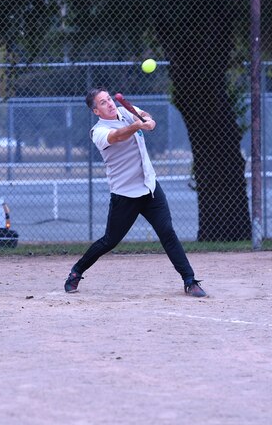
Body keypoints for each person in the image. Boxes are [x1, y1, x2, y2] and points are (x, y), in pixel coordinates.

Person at [64, 88, 207, 297]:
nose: (110, 103)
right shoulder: (99, 131)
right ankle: (77, 271)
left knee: (167, 232)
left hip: (150, 188)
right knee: (110, 241)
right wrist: (137, 126)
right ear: (96, 111)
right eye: (103, 103)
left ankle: (189, 280)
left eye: (109, 99)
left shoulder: (126, 112)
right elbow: (117, 136)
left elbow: (146, 116)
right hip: (125, 194)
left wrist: (148, 121)